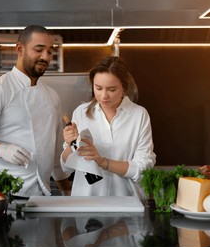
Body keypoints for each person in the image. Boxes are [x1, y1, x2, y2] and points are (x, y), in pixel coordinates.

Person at [0, 25, 70, 197]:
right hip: (1, 195)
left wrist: (68, 194)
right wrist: (2, 150)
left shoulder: (52, 97)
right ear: (20, 49)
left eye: (50, 51)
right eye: (39, 50)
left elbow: (56, 153)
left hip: (41, 195)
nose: (45, 57)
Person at [61, 56, 156, 196]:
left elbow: (143, 168)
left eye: (111, 89)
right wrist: (71, 145)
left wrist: (103, 162)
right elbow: (65, 167)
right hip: (86, 201)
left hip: (127, 201)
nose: (103, 96)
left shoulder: (139, 115)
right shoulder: (81, 113)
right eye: (98, 88)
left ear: (124, 88)